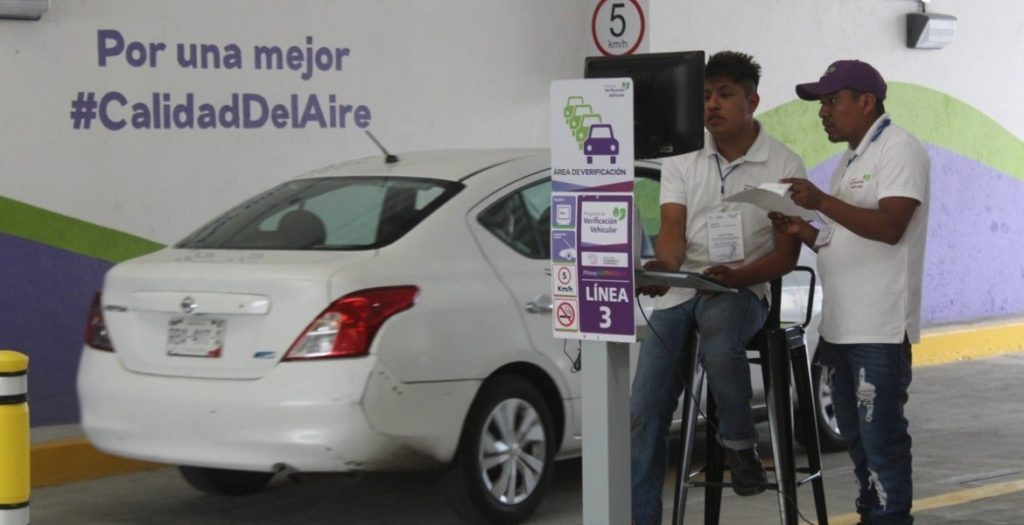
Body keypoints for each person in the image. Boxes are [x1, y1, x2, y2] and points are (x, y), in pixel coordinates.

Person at [630, 51, 806, 525]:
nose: (712, 104)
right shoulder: (682, 157)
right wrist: (662, 269)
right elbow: (672, 231)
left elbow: (786, 257)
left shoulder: (784, 162)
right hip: (684, 290)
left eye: (725, 95)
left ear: (752, 101)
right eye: (706, 95)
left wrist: (738, 277)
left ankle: (741, 449)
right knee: (643, 410)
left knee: (718, 334)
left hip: (744, 290)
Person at [770, 60, 930, 525]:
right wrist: (803, 229)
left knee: (881, 442)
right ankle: (872, 515)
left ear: (866, 102)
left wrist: (821, 201)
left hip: (878, 329)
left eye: (832, 100)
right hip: (841, 329)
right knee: (857, 443)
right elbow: (842, 236)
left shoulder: (898, 149)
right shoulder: (852, 159)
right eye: (821, 103)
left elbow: (891, 227)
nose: (823, 112)